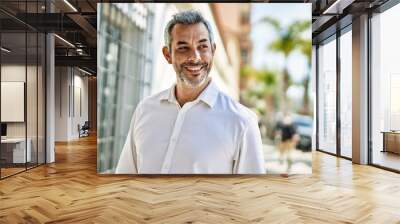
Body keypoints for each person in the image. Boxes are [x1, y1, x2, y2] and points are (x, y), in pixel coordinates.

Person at [115, 10, 265, 174]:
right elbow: (124, 178)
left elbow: (251, 195)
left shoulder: (242, 122)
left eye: (202, 46)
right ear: (167, 55)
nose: (195, 57)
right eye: (183, 47)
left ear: (213, 50)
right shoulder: (145, 110)